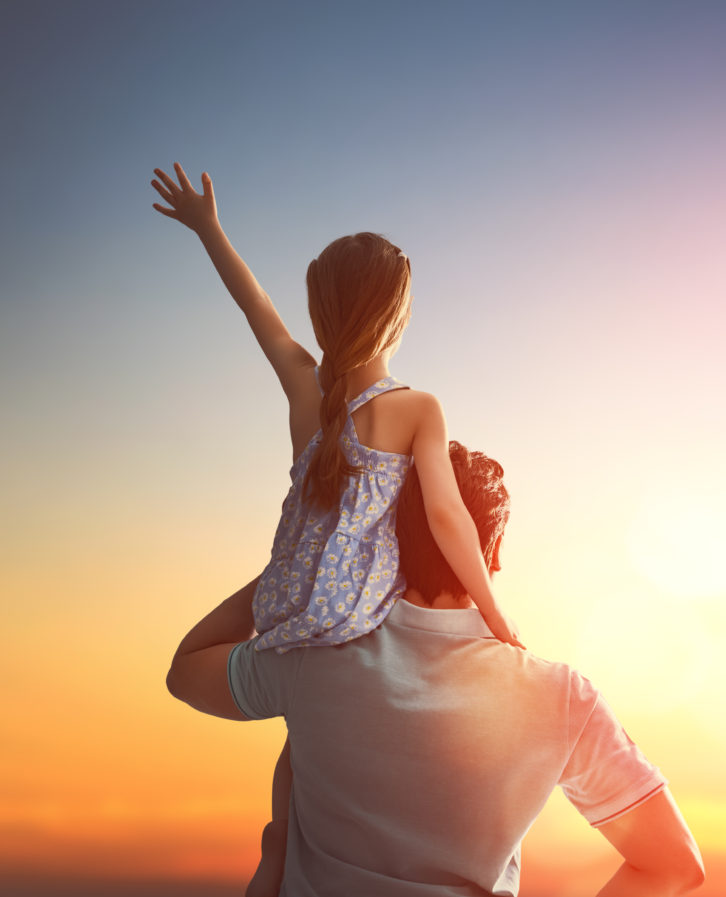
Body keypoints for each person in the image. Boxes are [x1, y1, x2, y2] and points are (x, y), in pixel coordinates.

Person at [152, 163, 523, 895]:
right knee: (311, 735)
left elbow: (255, 307)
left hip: (285, 612)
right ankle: (293, 845)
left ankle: (278, 852)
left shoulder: (304, 387)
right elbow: (448, 518)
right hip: (350, 624)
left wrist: (209, 229)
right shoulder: (416, 407)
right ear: (396, 313)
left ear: (324, 311)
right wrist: (494, 615)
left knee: (225, 689)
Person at [167, 441, 705, 896]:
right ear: (491, 555)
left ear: (383, 543)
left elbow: (187, 670)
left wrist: (297, 569)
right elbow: (674, 863)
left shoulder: (316, 653)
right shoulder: (562, 697)